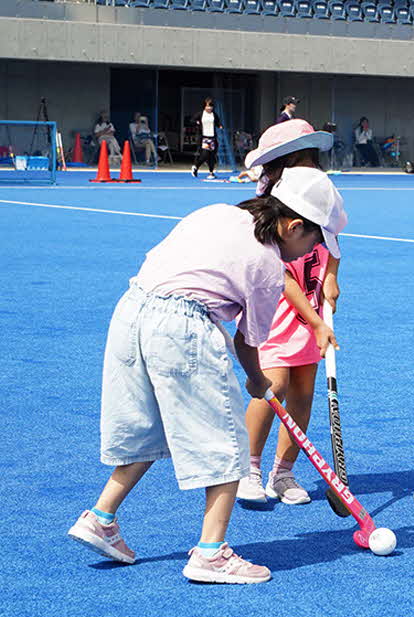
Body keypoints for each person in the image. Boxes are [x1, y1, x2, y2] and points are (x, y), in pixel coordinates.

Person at [67, 167, 343, 584]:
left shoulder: (218, 211)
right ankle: (211, 553)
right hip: (182, 326)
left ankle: (101, 517)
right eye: (314, 240)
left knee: (149, 426)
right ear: (293, 226)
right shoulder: (268, 266)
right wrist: (256, 380)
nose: (312, 250)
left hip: (131, 312)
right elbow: (249, 344)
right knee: (227, 439)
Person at [236, 123, 347, 505]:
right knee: (274, 385)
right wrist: (314, 320)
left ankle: (282, 473)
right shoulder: (270, 202)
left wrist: (330, 278)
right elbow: (277, 271)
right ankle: (247, 469)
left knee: (302, 391)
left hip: (313, 299)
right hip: (278, 308)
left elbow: (334, 239)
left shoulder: (321, 190)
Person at [192, 97, 223, 179]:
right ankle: (196, 166)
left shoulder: (214, 114)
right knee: (205, 155)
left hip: (212, 137)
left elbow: (217, 122)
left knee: (212, 156)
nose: (209, 108)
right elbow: (192, 120)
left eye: (211, 106)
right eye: (207, 106)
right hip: (204, 138)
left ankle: (211, 172)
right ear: (204, 106)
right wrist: (197, 122)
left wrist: (219, 126)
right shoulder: (200, 114)